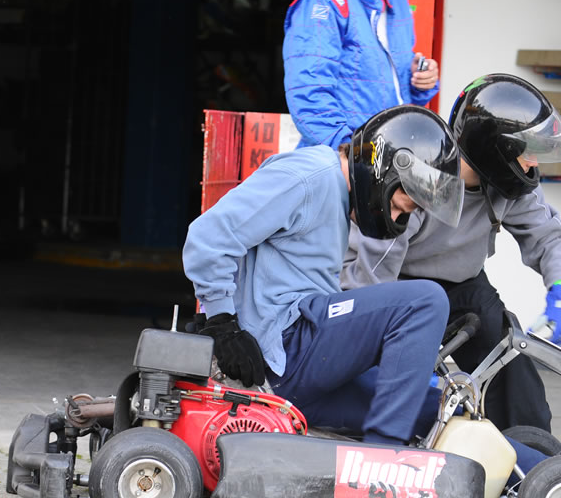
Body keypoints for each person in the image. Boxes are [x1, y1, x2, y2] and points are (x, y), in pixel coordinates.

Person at [183, 105, 463, 445]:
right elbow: (209, 236)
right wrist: (222, 323)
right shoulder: (310, 175)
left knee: (442, 412)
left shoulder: (338, 197)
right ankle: (385, 459)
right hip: (282, 352)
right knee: (425, 301)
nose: (399, 215)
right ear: (384, 172)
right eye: (400, 205)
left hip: (304, 365)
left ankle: (537, 481)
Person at [342, 73, 561, 433]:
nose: (532, 165)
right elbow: (373, 273)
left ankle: (532, 462)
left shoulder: (507, 185)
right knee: (400, 387)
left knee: (512, 367)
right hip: (397, 288)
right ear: (494, 149)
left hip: (464, 287)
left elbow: (550, 237)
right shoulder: (422, 179)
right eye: (527, 154)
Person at [282, 0, 440, 149]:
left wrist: (419, 80)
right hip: (344, 158)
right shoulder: (324, 0)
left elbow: (393, 90)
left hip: (388, 152)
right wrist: (349, 153)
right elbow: (309, 90)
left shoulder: (398, 0)